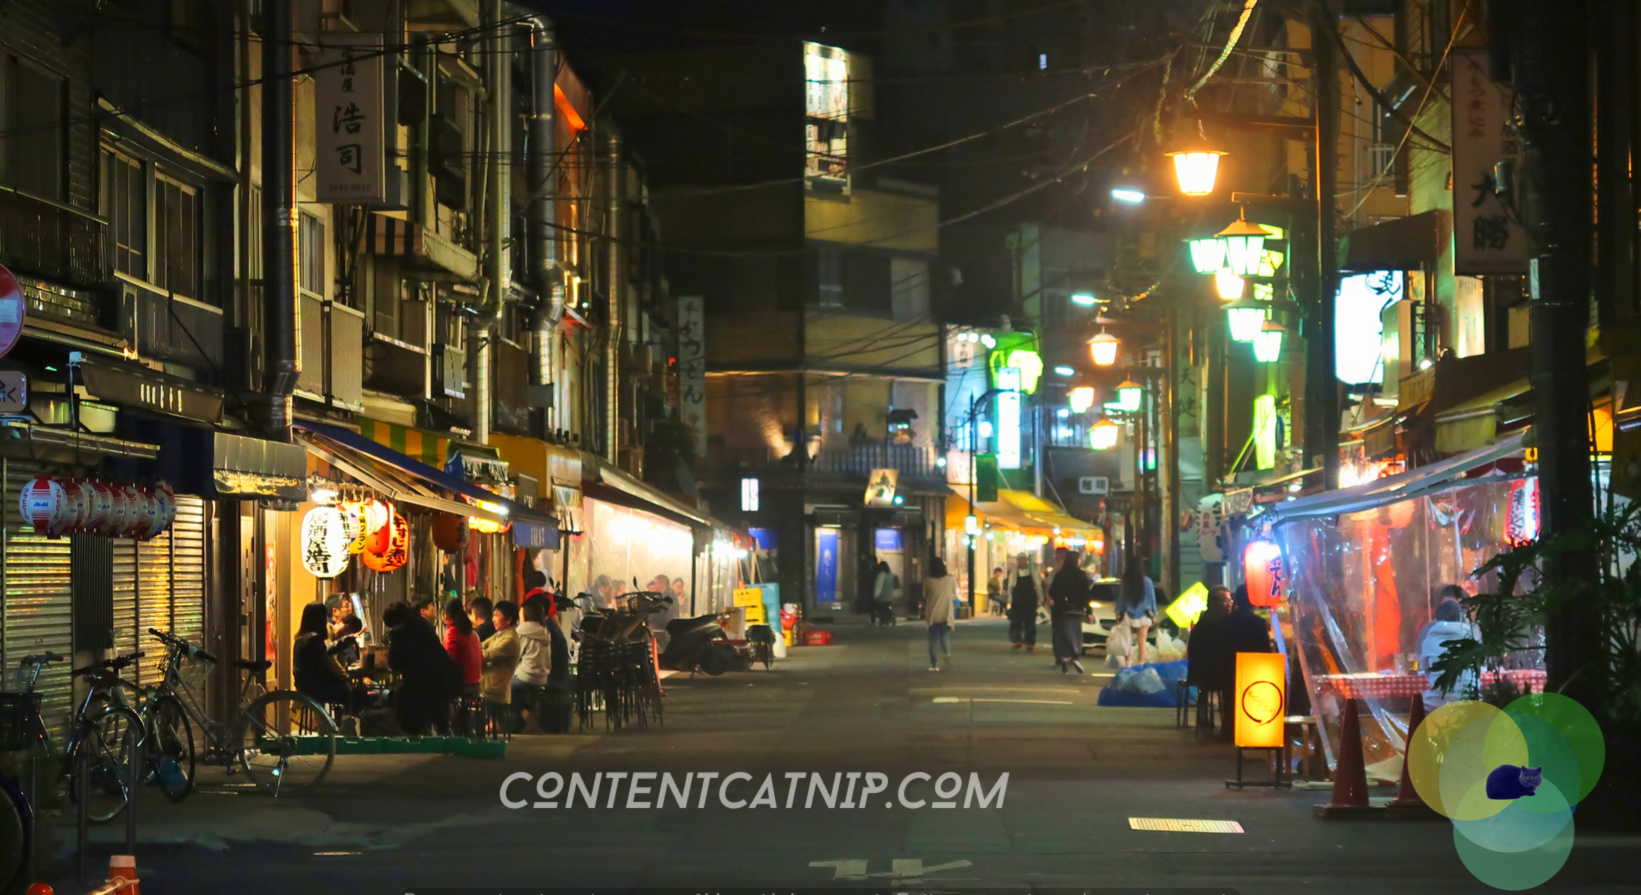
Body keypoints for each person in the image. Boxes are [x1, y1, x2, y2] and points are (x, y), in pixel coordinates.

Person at [385, 602, 459, 734]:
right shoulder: (423, 624)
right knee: (441, 720)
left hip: (421, 683)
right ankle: (446, 738)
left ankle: (418, 734)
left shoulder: (399, 632)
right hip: (446, 677)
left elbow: (394, 663)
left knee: (399, 699)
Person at [293, 603, 365, 713]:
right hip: (317, 689)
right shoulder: (314, 639)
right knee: (356, 694)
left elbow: (327, 650)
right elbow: (324, 667)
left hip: (304, 687)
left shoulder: (300, 638)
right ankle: (348, 726)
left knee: (349, 691)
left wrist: (349, 638)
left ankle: (340, 725)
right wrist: (343, 678)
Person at [1186, 586, 1234, 733]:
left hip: (1200, 673)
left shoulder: (1205, 622)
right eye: (1225, 601)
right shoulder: (1214, 625)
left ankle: (1225, 724)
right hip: (1211, 674)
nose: (1229, 604)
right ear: (1213, 603)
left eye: (1230, 600)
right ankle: (1229, 726)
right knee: (1234, 683)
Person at [512, 596, 553, 731]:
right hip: (542, 677)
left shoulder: (522, 631)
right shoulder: (545, 631)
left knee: (500, 688)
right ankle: (529, 714)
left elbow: (515, 656)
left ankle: (526, 714)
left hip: (526, 675)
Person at [481, 600, 522, 732]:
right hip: (489, 681)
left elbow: (485, 654)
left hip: (494, 685)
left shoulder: (509, 639)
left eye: (496, 615)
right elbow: (481, 646)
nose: (493, 619)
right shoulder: (499, 634)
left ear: (508, 620)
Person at [1048, 552, 1093, 674]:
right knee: (1075, 632)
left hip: (1061, 610)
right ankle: (1075, 656)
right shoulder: (1082, 575)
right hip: (1077, 610)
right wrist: (1089, 611)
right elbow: (1086, 595)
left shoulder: (1060, 575)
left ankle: (1065, 661)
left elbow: (1052, 592)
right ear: (1076, 561)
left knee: (1063, 634)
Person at [1116, 556, 1158, 666]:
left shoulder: (1126, 582)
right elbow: (1152, 599)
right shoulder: (1147, 581)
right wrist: (1154, 615)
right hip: (1144, 615)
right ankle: (1141, 665)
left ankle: (1128, 664)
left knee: (1127, 641)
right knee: (1142, 642)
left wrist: (1118, 613)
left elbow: (1121, 598)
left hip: (1128, 616)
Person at [442, 597, 483, 697]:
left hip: (460, 685)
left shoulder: (451, 633)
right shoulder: (473, 633)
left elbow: (448, 661)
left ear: (445, 615)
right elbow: (481, 658)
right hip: (476, 684)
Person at [922, 557, 956, 671]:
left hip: (932, 613)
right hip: (946, 612)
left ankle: (934, 663)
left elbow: (925, 595)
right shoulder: (950, 579)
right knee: (944, 636)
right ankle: (947, 654)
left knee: (933, 639)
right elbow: (953, 594)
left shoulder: (928, 580)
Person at [1007, 555, 1043, 651]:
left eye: (1023, 559)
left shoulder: (1032, 571)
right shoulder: (1014, 572)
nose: (1021, 561)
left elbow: (1038, 585)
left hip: (1030, 600)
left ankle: (1029, 643)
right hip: (1017, 600)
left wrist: (1040, 599)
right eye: (1019, 560)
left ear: (1027, 560)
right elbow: (1010, 586)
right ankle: (1016, 640)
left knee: (1030, 622)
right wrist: (1009, 600)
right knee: (1015, 621)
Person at [872, 561, 897, 626]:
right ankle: (890, 618)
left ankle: (883, 621)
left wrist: (875, 596)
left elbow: (878, 586)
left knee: (881, 609)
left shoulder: (881, 575)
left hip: (882, 596)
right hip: (890, 596)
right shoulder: (891, 575)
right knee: (886, 608)